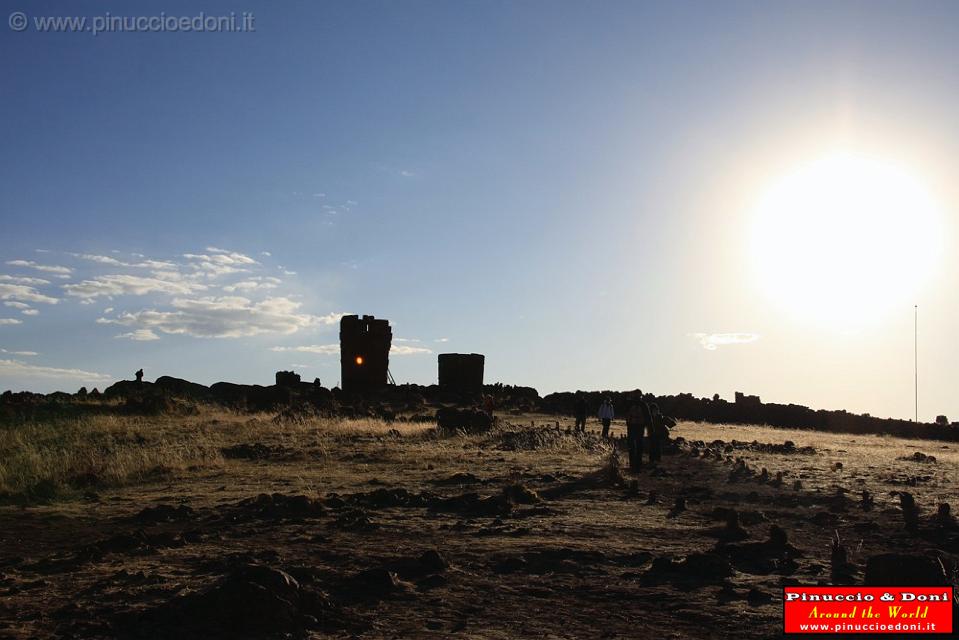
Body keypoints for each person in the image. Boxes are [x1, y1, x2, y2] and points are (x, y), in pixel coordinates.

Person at [626, 395, 652, 470]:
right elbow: (648, 417)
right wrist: (650, 429)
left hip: (631, 427)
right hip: (640, 427)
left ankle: (632, 464)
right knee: (639, 445)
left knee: (631, 446)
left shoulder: (630, 404)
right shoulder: (643, 404)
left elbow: (626, 414)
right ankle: (638, 463)